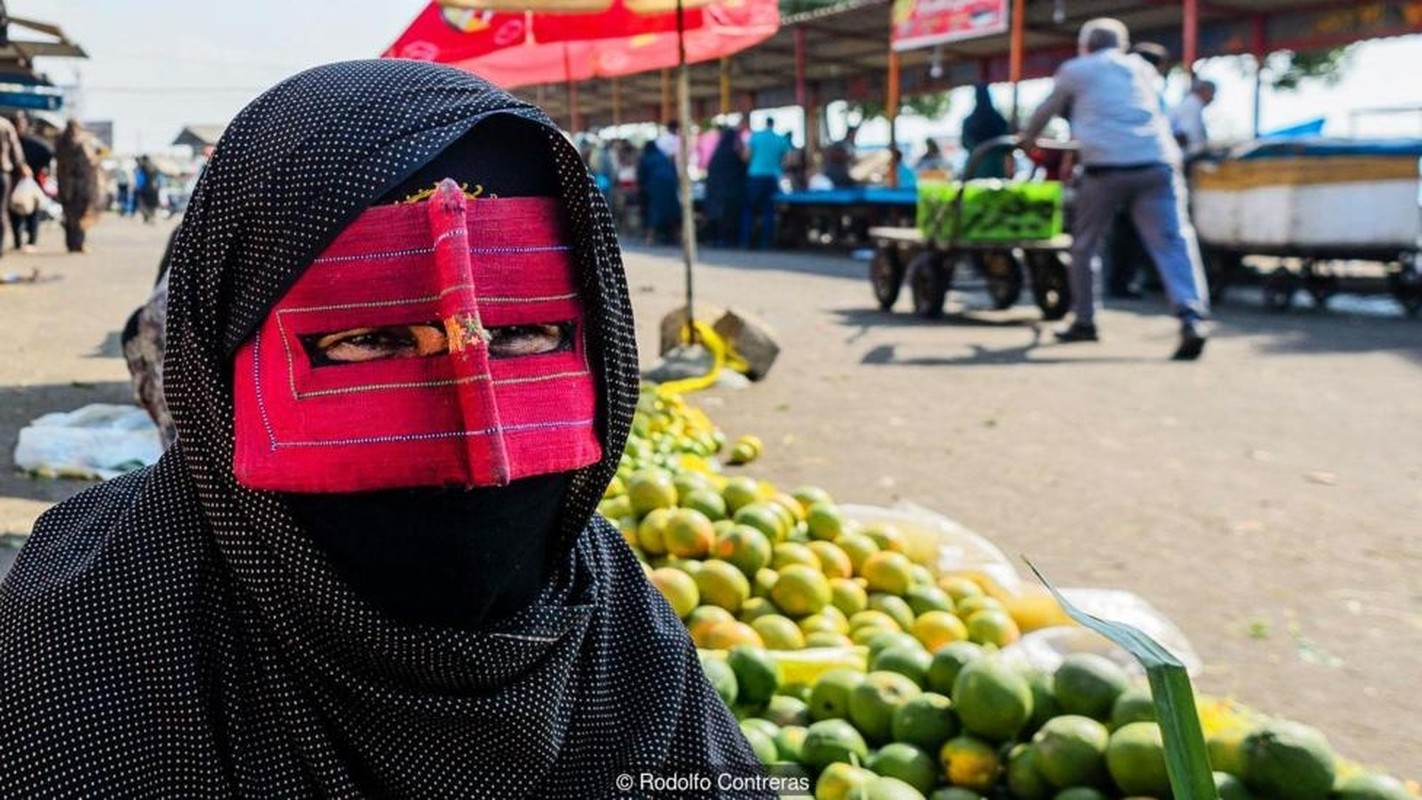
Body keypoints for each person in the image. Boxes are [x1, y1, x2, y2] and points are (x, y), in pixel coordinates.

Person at [0, 60, 765, 797]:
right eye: (366, 341)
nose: (485, 462)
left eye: (525, 334)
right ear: (219, 362)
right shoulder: (78, 643)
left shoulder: (619, 624)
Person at [1021, 17, 1211, 360]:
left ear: (1086, 46)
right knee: (1173, 241)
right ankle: (1192, 317)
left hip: (1104, 168)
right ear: (1122, 46)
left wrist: (1027, 140)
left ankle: (1084, 321)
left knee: (1085, 245)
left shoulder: (1075, 69)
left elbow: (1043, 112)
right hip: (1157, 163)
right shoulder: (1142, 69)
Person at [1106, 42, 1172, 299]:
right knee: (1135, 232)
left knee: (1121, 231)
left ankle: (1119, 281)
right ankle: (1126, 281)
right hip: (1145, 168)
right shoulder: (1150, 91)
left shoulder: (1114, 89)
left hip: (1113, 169)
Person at [741, 115, 792, 249]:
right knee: (768, 211)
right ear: (774, 124)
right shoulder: (780, 139)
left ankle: (745, 241)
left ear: (764, 124)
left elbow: (746, 156)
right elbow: (789, 159)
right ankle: (766, 242)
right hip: (772, 177)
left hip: (755, 176)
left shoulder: (755, 137)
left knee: (749, 210)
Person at [54, 120, 100, 253]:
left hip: (72, 183)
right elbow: (91, 160)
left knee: (75, 215)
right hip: (74, 184)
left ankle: (74, 243)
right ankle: (76, 244)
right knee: (75, 215)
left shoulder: (62, 141)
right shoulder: (76, 141)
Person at [10, 111, 51, 252]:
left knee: (33, 213)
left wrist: (41, 170)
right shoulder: (9, 141)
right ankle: (17, 242)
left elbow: (48, 154)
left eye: (20, 124)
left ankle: (31, 242)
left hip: (32, 183)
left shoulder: (35, 144)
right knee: (14, 212)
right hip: (13, 182)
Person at [703, 125, 747, 247]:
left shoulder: (716, 154)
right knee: (729, 217)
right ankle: (727, 240)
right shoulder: (734, 155)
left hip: (714, 192)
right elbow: (743, 172)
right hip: (729, 194)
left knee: (715, 216)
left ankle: (714, 239)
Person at [961, 84, 1010, 179]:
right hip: (996, 169)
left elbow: (964, 144)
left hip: (975, 168)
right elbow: (1007, 148)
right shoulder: (1000, 120)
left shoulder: (968, 122)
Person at [636, 139, 680, 244]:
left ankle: (650, 237)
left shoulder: (646, 158)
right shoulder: (663, 156)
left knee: (654, 211)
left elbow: (641, 176)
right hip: (670, 185)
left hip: (655, 186)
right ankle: (676, 235)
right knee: (672, 210)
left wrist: (642, 188)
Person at [1171, 78, 1216, 159]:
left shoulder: (1191, 104)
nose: (1213, 98)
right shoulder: (1193, 104)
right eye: (1212, 93)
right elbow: (1188, 135)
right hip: (1184, 157)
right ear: (1204, 90)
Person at [136, 155, 161, 223]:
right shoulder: (154, 167)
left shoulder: (142, 166)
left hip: (145, 188)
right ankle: (151, 217)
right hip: (153, 188)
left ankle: (147, 218)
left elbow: (140, 176)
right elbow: (158, 175)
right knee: (152, 204)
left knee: (144, 203)